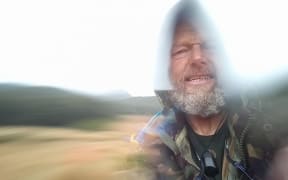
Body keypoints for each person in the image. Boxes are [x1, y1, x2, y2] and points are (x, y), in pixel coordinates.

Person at [136, 0, 276, 179]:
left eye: (210, 46)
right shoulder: (151, 145)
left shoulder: (267, 125)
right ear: (167, 69)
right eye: (180, 51)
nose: (197, 57)